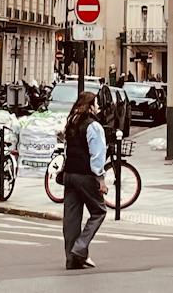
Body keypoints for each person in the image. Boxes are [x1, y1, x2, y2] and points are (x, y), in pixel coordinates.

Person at [61, 90, 107, 270]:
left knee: (71, 218)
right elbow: (97, 155)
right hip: (85, 175)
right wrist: (100, 178)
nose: (99, 107)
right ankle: (80, 248)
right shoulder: (93, 126)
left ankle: (71, 259)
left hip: (69, 174)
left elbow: (66, 149)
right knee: (99, 211)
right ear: (90, 106)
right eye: (96, 104)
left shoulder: (71, 122)